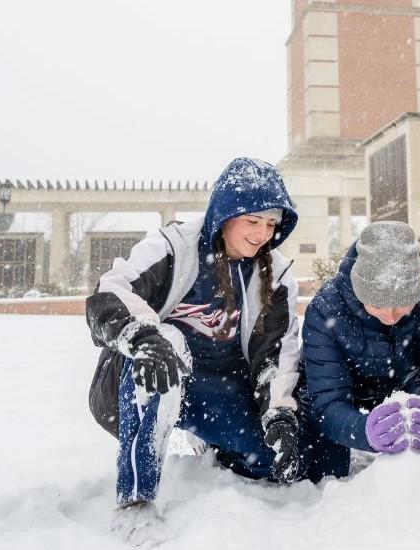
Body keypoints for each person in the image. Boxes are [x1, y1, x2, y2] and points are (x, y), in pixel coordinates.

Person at [86, 158, 310, 545]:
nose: (262, 234)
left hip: (220, 390)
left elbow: (279, 353)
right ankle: (134, 504)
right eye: (253, 221)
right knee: (166, 344)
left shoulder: (277, 275)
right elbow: (111, 291)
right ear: (226, 214)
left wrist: (279, 417)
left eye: (271, 225)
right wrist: (141, 336)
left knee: (270, 461)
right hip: (151, 375)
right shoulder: (173, 247)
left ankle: (212, 448)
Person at [300, 221, 420, 477]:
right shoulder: (326, 309)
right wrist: (364, 431)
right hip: (343, 390)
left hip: (406, 386)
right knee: (325, 470)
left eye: (403, 305)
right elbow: (328, 402)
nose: (390, 316)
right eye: (377, 304)